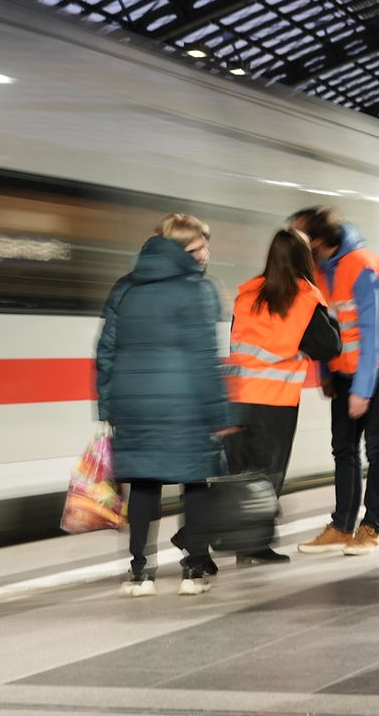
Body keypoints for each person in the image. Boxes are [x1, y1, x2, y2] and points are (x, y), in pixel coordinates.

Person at [95, 214, 232, 597]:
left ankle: (140, 572)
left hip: (134, 402)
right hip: (185, 401)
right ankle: (193, 570)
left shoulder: (125, 287)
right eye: (201, 246)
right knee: (194, 483)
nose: (206, 253)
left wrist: (108, 405)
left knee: (143, 483)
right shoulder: (198, 289)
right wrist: (218, 411)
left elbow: (105, 350)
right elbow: (205, 356)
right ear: (184, 247)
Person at [219, 228, 340, 565]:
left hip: (239, 395)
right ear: (305, 259)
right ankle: (254, 545)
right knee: (267, 473)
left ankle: (238, 538)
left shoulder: (247, 294)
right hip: (275, 400)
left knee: (240, 471)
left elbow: (236, 341)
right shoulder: (304, 298)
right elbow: (329, 346)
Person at [292, 207, 379, 556]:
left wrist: (363, 389)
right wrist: (327, 373)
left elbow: (372, 334)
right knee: (343, 447)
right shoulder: (318, 270)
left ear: (322, 242)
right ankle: (342, 527)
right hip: (344, 370)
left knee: (376, 448)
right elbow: (327, 327)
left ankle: (371, 526)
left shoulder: (363, 266)